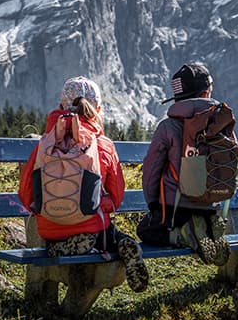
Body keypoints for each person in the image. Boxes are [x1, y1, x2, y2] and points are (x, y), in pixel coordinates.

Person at [18, 76, 149, 293]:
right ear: (97, 108)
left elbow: (25, 193)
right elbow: (116, 197)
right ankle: (122, 244)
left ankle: (62, 245)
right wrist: (94, 205)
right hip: (92, 228)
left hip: (49, 229)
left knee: (63, 235)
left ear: (61, 106)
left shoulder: (45, 143)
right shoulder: (103, 145)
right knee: (115, 236)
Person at [137, 63, 232, 266]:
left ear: (178, 98)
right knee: (202, 215)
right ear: (207, 92)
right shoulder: (222, 123)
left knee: (145, 229)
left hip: (176, 209)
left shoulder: (168, 126)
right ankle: (210, 226)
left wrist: (153, 205)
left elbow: (151, 170)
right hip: (212, 205)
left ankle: (182, 234)